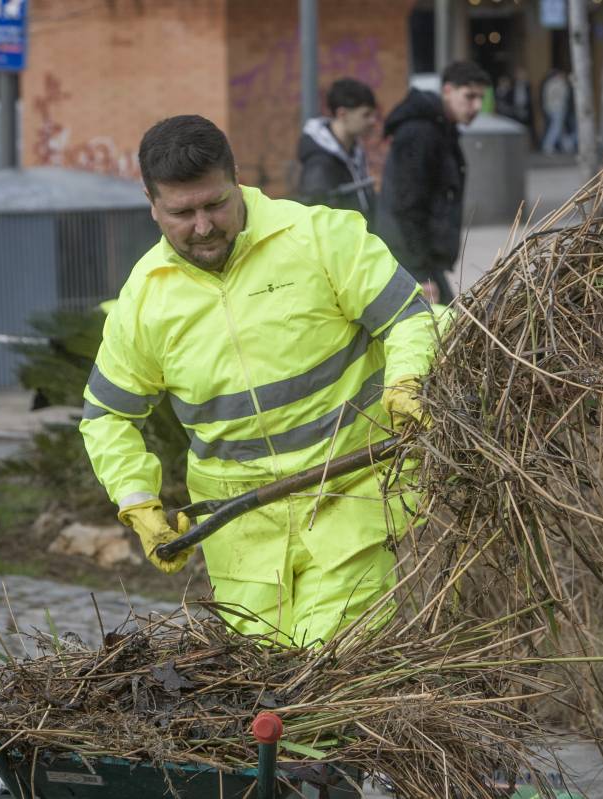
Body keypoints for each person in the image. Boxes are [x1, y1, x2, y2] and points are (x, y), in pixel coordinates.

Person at [80, 115, 438, 646]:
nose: (203, 226)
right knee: (265, 688)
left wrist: (407, 380)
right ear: (152, 205)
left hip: (352, 498)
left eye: (215, 204)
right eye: (182, 213)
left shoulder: (320, 238)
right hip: (241, 534)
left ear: (238, 179)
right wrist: (139, 504)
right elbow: (108, 417)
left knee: (324, 666)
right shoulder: (144, 302)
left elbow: (409, 316)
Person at [375, 61, 489, 305]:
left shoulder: (442, 130)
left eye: (481, 98)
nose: (477, 106)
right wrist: (421, 273)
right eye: (469, 96)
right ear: (447, 90)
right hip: (409, 260)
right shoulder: (421, 133)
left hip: (420, 259)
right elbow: (406, 205)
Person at [295, 77, 378, 222]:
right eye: (366, 114)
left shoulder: (354, 152)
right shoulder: (319, 162)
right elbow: (319, 220)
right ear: (342, 114)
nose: (373, 121)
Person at [540, 69, 574, 155]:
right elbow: (564, 95)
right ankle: (547, 145)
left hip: (554, 108)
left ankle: (567, 146)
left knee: (560, 128)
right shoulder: (558, 83)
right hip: (557, 108)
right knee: (556, 127)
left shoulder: (550, 83)